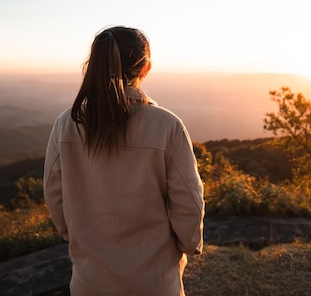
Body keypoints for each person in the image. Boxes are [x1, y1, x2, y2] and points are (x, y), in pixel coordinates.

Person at [44, 26, 205, 296]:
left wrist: (75, 236)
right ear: (145, 68)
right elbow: (189, 201)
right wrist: (189, 243)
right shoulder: (167, 126)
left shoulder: (67, 125)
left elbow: (53, 194)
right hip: (154, 282)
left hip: (89, 281)